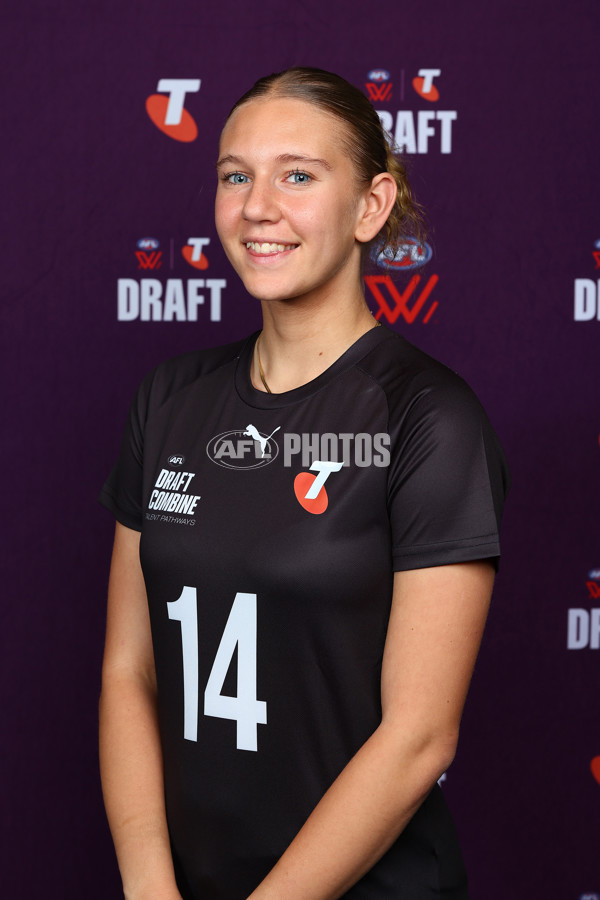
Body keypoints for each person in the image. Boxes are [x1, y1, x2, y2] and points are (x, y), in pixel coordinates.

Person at [99, 67, 509, 900]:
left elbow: (420, 736)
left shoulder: (428, 416)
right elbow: (128, 673)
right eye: (234, 175)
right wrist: (149, 887)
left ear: (370, 205)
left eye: (298, 175)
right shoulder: (170, 399)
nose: (257, 206)